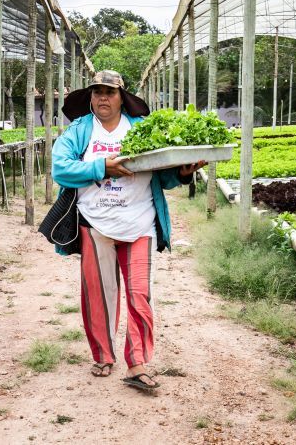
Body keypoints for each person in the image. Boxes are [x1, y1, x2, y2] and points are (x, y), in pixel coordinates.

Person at [51, 70, 205, 391]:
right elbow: (61, 168)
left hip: (139, 224)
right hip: (94, 224)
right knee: (98, 294)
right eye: (97, 92)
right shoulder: (80, 131)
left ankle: (137, 363)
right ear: (90, 97)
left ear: (123, 96)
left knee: (139, 295)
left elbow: (162, 176)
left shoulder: (140, 130)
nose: (102, 98)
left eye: (109, 92)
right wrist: (102, 166)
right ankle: (103, 354)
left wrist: (182, 172)